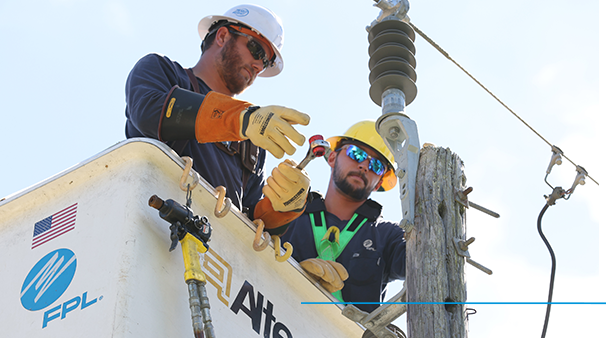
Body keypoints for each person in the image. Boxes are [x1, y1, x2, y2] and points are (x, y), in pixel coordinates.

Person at [124, 4, 311, 234]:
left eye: (267, 62)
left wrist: (282, 208)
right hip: (151, 234)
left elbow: (250, 220)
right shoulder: (163, 72)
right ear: (222, 36)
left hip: (211, 261)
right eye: (257, 50)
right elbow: (149, 112)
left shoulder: (251, 142)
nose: (259, 66)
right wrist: (240, 119)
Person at [281, 120, 406, 313]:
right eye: (356, 154)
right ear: (332, 158)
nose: (364, 165)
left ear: (379, 181)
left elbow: (425, 265)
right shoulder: (292, 213)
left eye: (376, 165)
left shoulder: (388, 237)